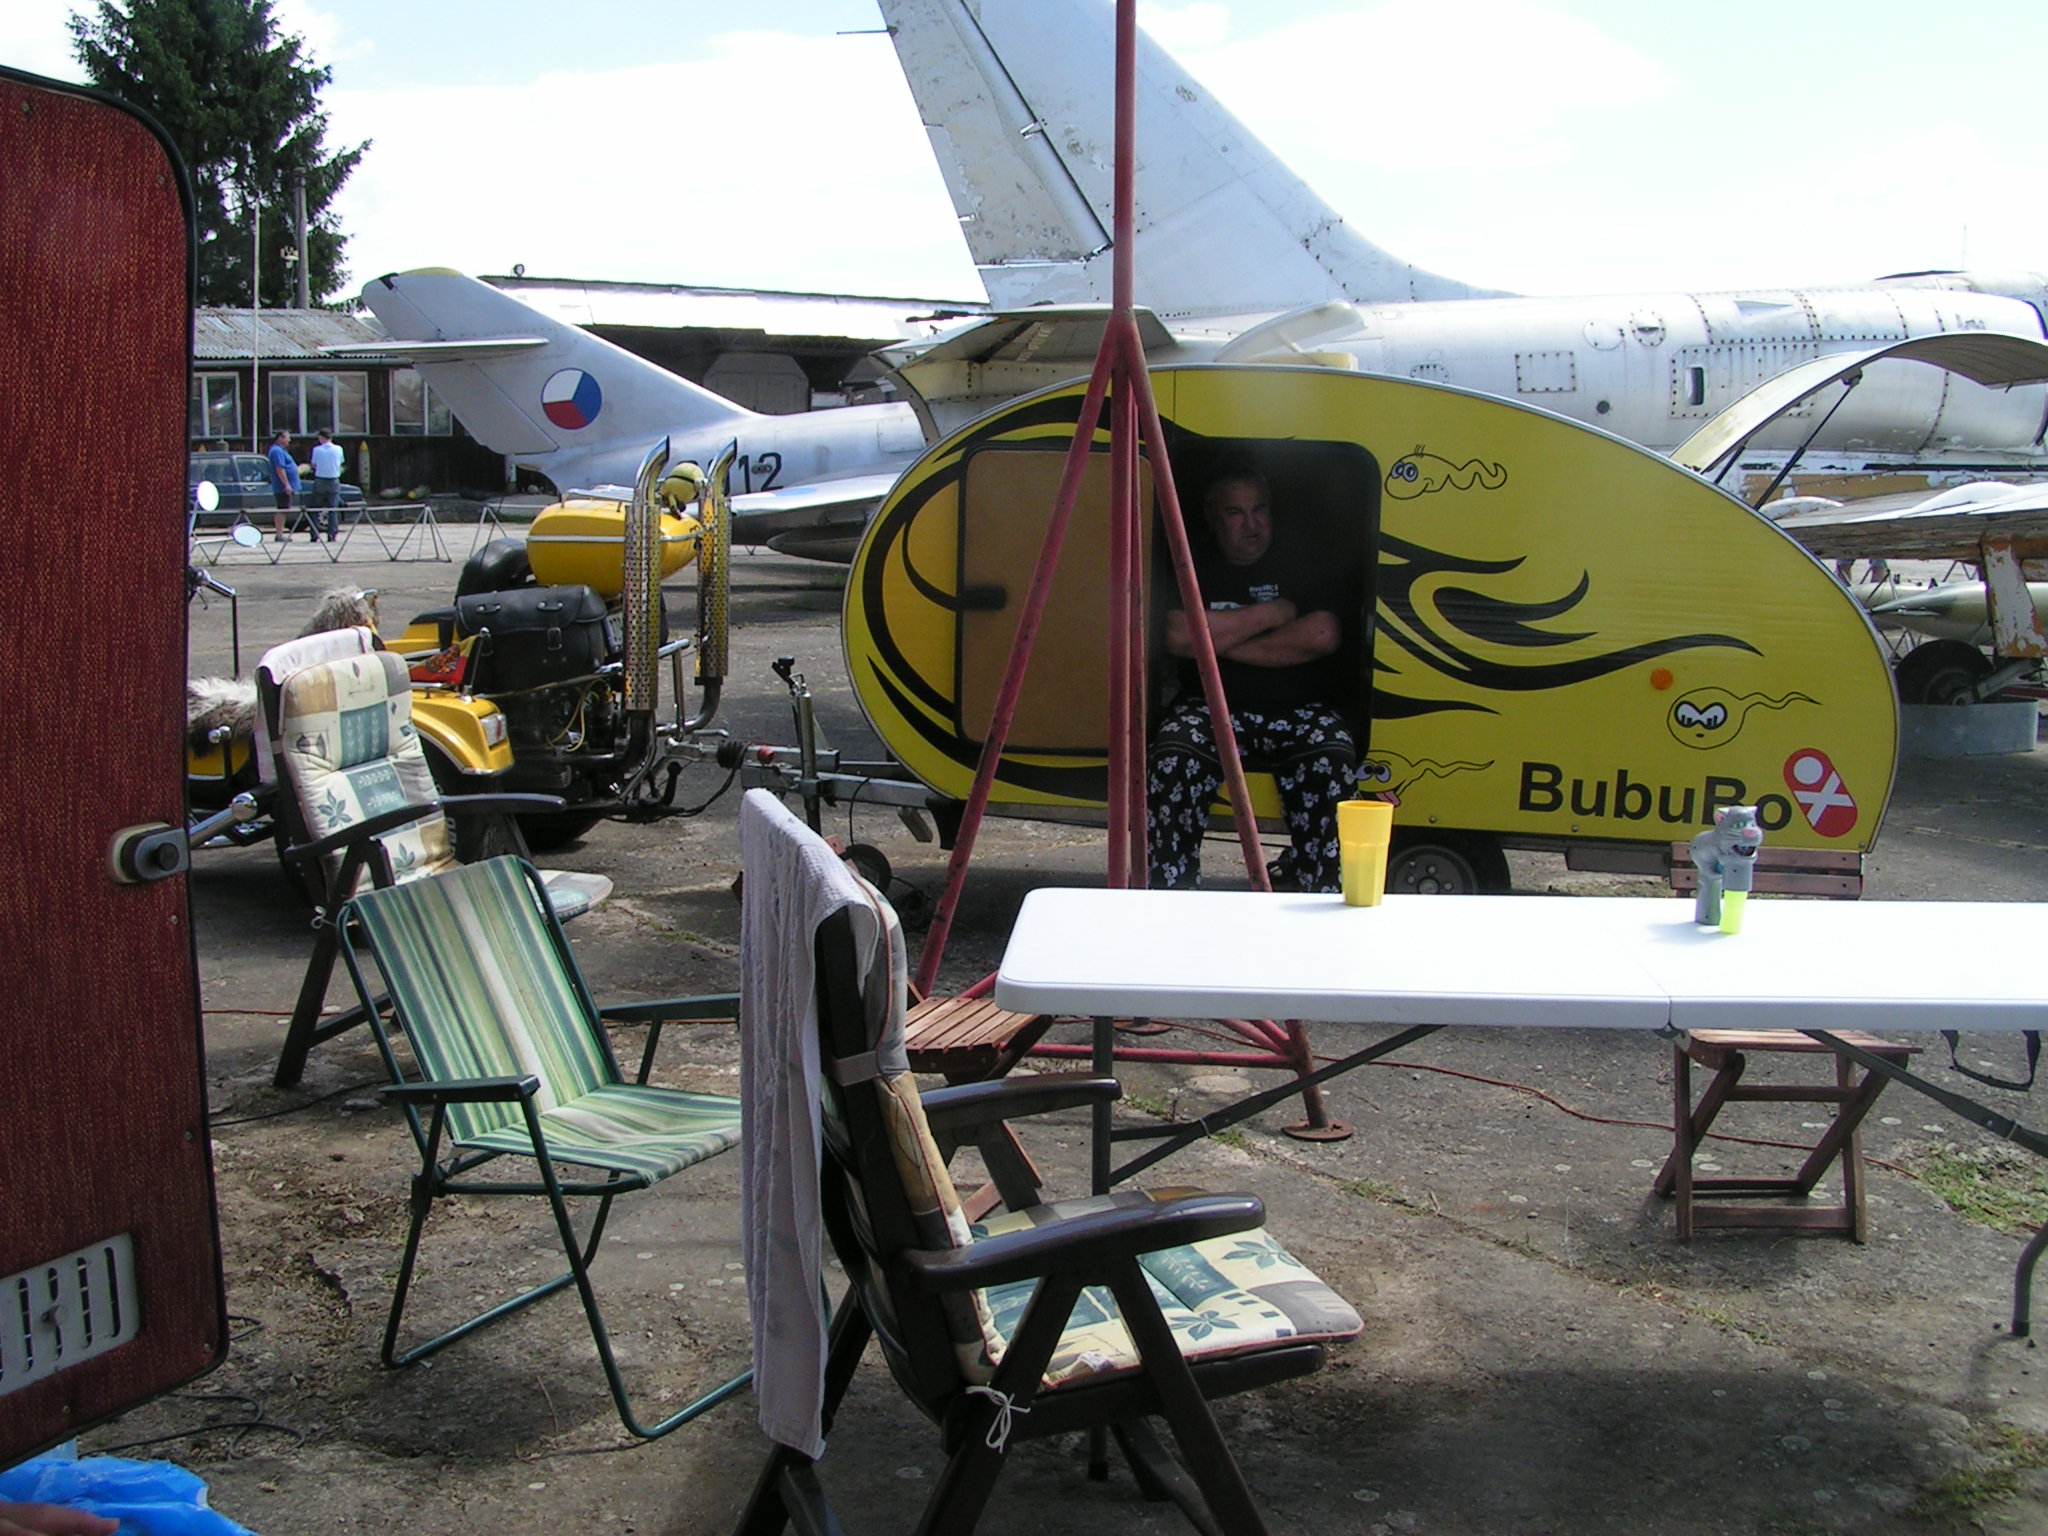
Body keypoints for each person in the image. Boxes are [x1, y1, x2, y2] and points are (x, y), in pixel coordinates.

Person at [1148, 466, 1358, 892]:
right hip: (1208, 708)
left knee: (1334, 756)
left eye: (1259, 510)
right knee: (1171, 756)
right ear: (1213, 518)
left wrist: (1211, 640)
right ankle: (1172, 896)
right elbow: (1174, 635)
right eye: (1236, 513)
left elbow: (1322, 635)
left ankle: (1319, 895)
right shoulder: (1190, 560)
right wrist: (1272, 614)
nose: (1252, 524)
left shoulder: (1301, 559)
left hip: (1299, 709)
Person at [308, 428, 345, 541]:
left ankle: (314, 534)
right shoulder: (338, 449)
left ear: (321, 437)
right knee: (333, 508)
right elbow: (340, 462)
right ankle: (332, 534)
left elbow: (314, 464)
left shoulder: (317, 450)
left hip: (320, 479)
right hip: (333, 479)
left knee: (315, 508)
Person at [265, 429, 300, 541]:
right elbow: (280, 469)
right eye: (287, 437)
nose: (289, 440)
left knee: (284, 509)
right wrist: (287, 484)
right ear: (280, 438)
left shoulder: (281, 450)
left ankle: (280, 533)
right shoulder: (276, 451)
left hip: (285, 485)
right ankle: (279, 534)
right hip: (282, 487)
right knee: (282, 509)